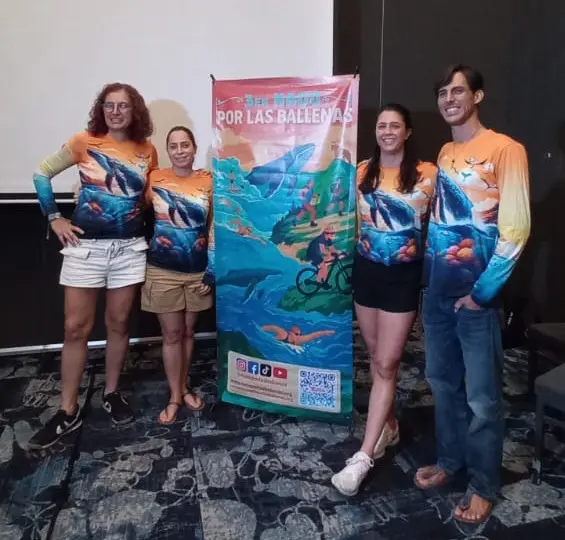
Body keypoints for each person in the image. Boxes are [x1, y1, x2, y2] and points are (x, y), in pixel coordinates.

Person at [414, 65, 531, 524]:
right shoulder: (447, 152)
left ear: (477, 96)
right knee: (443, 385)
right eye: (442, 92)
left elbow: (516, 229)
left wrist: (482, 295)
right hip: (438, 294)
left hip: (476, 300)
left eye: (458, 90)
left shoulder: (506, 149)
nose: (449, 99)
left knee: (482, 399)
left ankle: (483, 485)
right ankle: (450, 461)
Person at [29, 83, 157, 450]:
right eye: (109, 105)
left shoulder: (147, 150)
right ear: (101, 109)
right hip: (85, 249)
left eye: (123, 106)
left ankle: (111, 392)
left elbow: (148, 196)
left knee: (119, 324)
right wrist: (54, 217)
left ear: (135, 111)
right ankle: (66, 410)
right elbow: (41, 173)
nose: (115, 112)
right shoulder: (83, 141)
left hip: (129, 249)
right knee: (75, 329)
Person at [331, 104, 437, 496]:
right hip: (367, 273)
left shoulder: (428, 174)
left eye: (395, 126)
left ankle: (362, 457)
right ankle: (388, 426)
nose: (388, 131)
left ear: (407, 132)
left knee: (388, 363)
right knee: (376, 359)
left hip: (403, 278)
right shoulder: (361, 172)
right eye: (381, 126)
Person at [141, 126, 214, 424]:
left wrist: (211, 269)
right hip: (162, 270)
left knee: (187, 332)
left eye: (185, 145)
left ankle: (183, 388)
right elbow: (133, 206)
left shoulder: (209, 181)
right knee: (171, 334)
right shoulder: (154, 179)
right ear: (168, 150)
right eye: (174, 146)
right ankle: (174, 395)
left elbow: (213, 227)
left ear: (194, 148)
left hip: (197, 271)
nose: (180, 150)